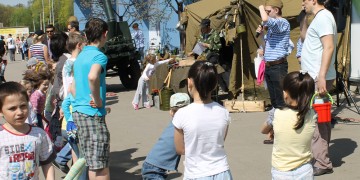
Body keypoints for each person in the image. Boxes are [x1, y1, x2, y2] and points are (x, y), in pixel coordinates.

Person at [173, 61, 232, 179]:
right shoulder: (223, 112)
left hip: (196, 173)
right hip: (223, 172)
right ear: (215, 84)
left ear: (189, 82)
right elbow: (219, 141)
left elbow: (180, 149)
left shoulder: (181, 114)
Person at [301, 0, 337, 176]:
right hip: (314, 76)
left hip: (318, 77)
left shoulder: (323, 17)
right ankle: (319, 158)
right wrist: (304, 18)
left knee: (319, 120)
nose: (302, 2)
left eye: (304, 0)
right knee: (316, 118)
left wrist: (321, 76)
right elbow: (304, 38)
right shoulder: (317, 18)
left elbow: (328, 46)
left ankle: (323, 162)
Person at [72, 18, 111, 180]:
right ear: (105, 34)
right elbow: (93, 76)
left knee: (92, 162)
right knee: (101, 166)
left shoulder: (80, 56)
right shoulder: (99, 56)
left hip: (79, 112)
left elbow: (72, 87)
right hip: (93, 113)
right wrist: (98, 100)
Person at [261, 71, 316, 179]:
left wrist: (273, 130)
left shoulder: (277, 113)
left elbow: (263, 130)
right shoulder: (312, 114)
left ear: (285, 94)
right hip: (305, 170)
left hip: (281, 172)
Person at [0, 82, 56, 179]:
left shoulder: (39, 134)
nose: (20, 112)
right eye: (12, 108)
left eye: (23, 106)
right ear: (1, 112)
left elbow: (47, 163)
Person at [142, 93, 190, 179]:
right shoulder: (181, 126)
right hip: (153, 170)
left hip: (152, 166)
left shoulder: (176, 122)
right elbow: (182, 150)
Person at [257, 0, 290, 110]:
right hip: (269, 65)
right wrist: (262, 35)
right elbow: (265, 46)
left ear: (276, 10)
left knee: (281, 100)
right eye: (265, 11)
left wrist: (261, 8)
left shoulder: (283, 22)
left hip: (278, 66)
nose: (266, 13)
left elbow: (265, 19)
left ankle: (285, 123)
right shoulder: (272, 28)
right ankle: (276, 123)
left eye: (268, 11)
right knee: (274, 100)